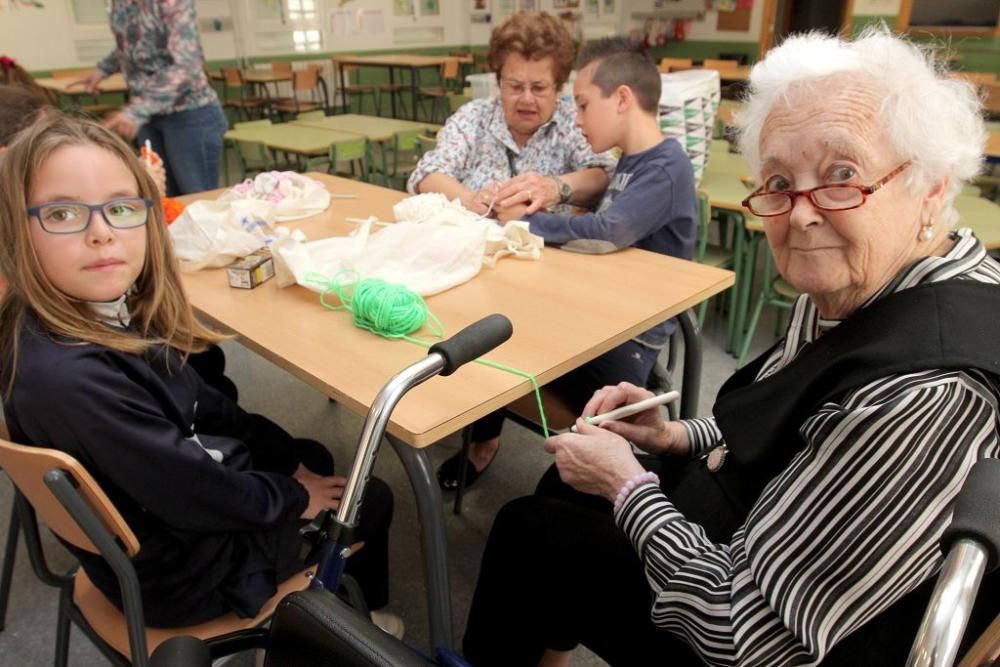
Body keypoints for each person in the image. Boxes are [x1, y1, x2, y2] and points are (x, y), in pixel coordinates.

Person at [463, 29, 1000, 666]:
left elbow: (743, 634)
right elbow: (783, 417)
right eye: (777, 181)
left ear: (931, 188)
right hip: (763, 518)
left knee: (531, 535)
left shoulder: (924, 400)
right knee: (564, 487)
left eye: (842, 175)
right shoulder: (872, 282)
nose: (800, 213)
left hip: (751, 629)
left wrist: (630, 488)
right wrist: (672, 438)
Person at [0, 113, 399, 633]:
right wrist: (295, 497)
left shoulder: (84, 321)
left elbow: (200, 406)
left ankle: (324, 603)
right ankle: (340, 634)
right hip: (186, 574)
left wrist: (284, 464)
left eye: (120, 209)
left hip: (158, 537)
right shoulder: (71, 380)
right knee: (372, 499)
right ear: (17, 229)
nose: (101, 234)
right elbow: (197, 496)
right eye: (62, 214)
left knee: (306, 454)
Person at [435, 37, 697, 491]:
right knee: (496, 326)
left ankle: (617, 471)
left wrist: (524, 224)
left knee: (499, 348)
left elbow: (607, 232)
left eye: (581, 104)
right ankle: (482, 433)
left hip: (629, 338)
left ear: (621, 100)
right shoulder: (633, 161)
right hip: (602, 313)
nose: (575, 119)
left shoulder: (666, 166)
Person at [407, 11, 615, 219]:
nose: (526, 99)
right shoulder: (474, 117)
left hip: (549, 247)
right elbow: (427, 174)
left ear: (559, 87)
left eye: (539, 88)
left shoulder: (573, 123)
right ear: (498, 83)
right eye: (515, 86)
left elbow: (604, 175)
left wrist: (556, 188)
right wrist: (469, 200)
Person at [75, 0, 227, 196]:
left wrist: (136, 111)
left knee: (195, 199)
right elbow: (134, 45)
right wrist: (102, 69)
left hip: (188, 113)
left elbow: (187, 65)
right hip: (149, 115)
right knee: (157, 195)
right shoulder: (120, 4)